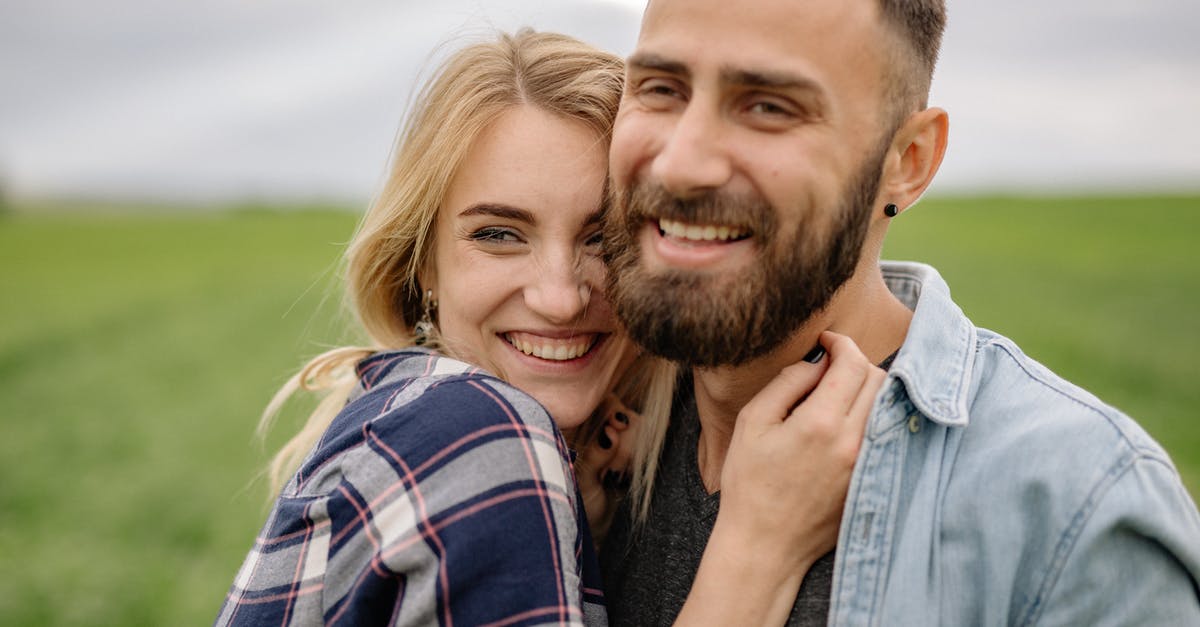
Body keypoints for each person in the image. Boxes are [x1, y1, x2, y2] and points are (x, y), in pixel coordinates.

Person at [216, 29, 885, 626]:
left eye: (603, 237)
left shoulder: (401, 418)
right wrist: (761, 543)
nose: (561, 298)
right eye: (499, 234)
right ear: (423, 265)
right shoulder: (477, 429)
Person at [598, 0, 1200, 625]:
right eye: (662, 89)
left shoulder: (1073, 515)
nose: (681, 162)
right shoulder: (586, 429)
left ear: (907, 161)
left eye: (769, 107)